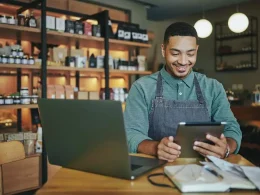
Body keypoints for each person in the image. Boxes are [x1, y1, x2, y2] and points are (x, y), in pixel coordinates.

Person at [124, 22, 242, 162]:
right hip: (154, 171)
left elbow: (232, 129)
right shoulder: (142, 88)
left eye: (190, 54)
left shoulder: (213, 87)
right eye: (175, 53)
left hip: (204, 173)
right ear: (163, 50)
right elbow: (131, 134)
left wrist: (226, 147)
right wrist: (156, 148)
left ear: (196, 50)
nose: (183, 61)